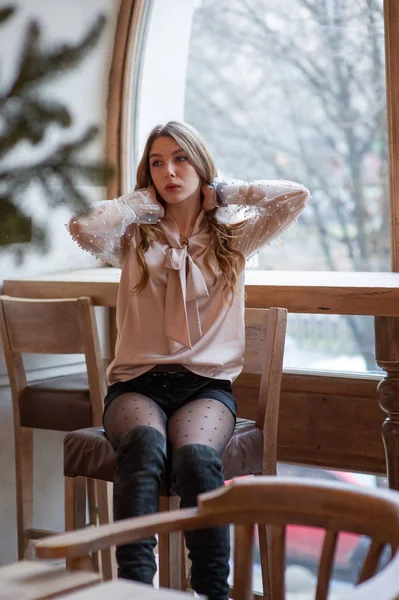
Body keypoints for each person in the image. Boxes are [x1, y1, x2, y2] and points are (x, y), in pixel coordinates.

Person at [68, 120, 309, 600]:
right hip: (137, 385)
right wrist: (139, 203)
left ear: (200, 165)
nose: (169, 171)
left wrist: (227, 192)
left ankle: (211, 593)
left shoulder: (234, 240)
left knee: (198, 461)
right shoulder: (133, 238)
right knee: (142, 449)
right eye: (157, 162)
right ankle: (134, 591)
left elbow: (295, 196)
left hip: (205, 389)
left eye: (180, 159)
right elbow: (81, 226)